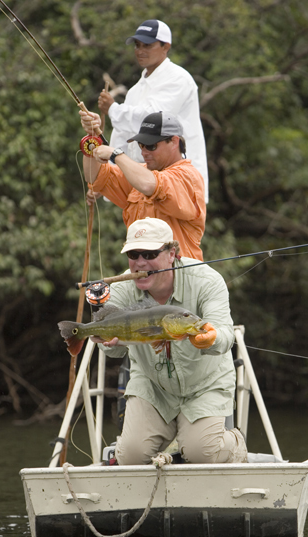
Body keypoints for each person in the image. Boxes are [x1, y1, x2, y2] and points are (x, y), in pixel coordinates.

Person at [92, 217, 247, 465]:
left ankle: (235, 444)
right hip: (152, 386)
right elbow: (111, 353)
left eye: (150, 253)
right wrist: (107, 342)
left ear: (171, 253)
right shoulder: (119, 290)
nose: (140, 262)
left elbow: (226, 335)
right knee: (130, 457)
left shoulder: (207, 280)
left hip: (204, 385)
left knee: (201, 452)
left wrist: (211, 338)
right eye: (133, 254)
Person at [98, 19, 209, 203]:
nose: (140, 51)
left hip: (180, 185)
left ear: (166, 46)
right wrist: (105, 184)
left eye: (147, 45)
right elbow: (122, 135)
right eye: (137, 45)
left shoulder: (179, 79)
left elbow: (152, 122)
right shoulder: (135, 90)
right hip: (144, 186)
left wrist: (113, 109)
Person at [80, 109, 206, 260]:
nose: (144, 152)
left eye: (151, 146)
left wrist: (116, 154)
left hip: (182, 278)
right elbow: (94, 176)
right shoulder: (139, 174)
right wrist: (93, 139)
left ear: (174, 142)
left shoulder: (188, 176)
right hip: (144, 276)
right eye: (141, 145)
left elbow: (148, 184)